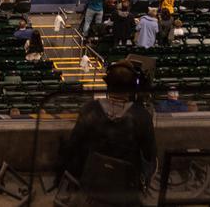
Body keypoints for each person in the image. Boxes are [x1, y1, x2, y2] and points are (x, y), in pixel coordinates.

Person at [61, 61, 157, 203]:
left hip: (91, 180)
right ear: (132, 88)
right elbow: (150, 156)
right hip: (126, 185)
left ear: (108, 85)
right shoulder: (142, 116)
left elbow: (73, 146)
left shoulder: (89, 109)